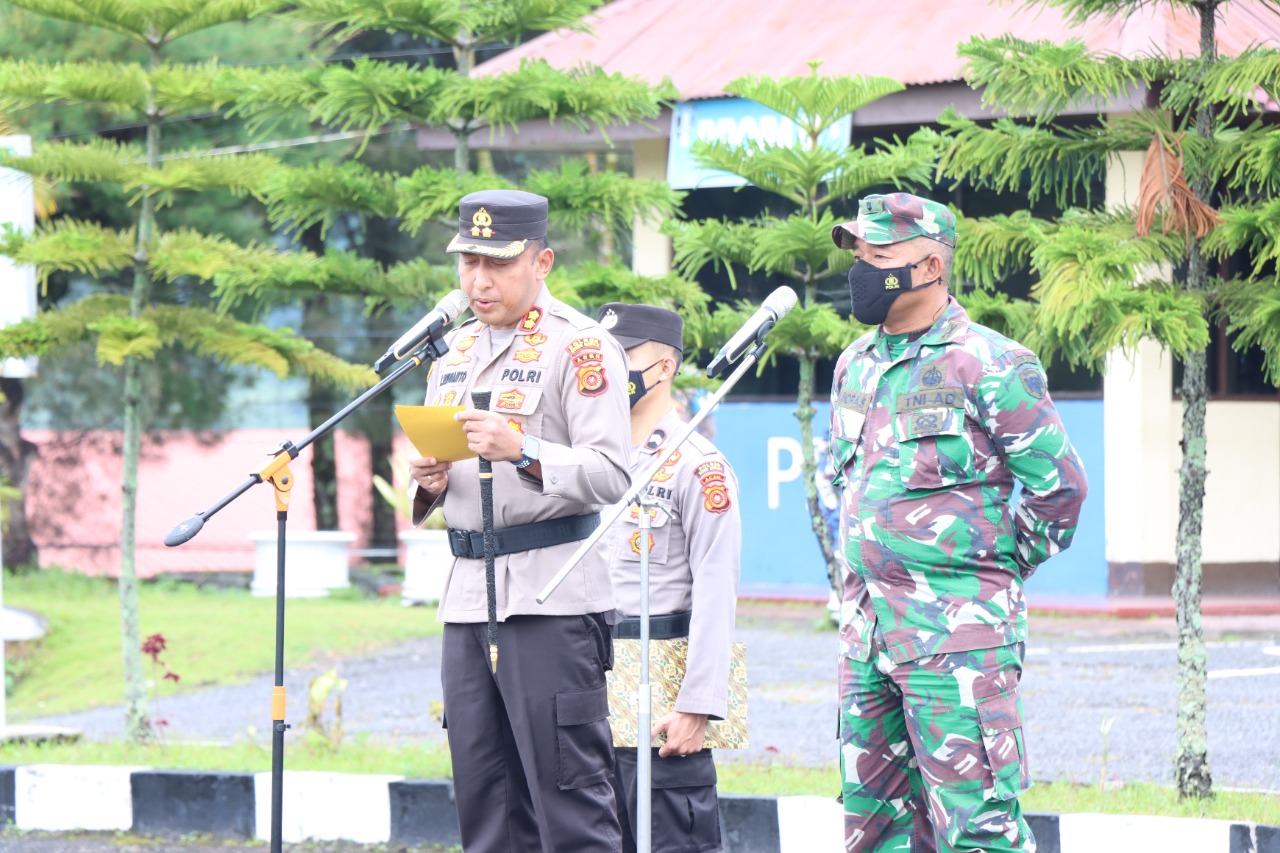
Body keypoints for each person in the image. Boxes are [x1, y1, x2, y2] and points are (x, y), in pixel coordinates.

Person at [827, 192, 1088, 853]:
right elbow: (842, 476)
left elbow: (1061, 489)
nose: (861, 268)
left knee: (980, 832)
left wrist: (987, 568)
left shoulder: (992, 363)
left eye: (878, 255)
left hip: (958, 641)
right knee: (873, 828)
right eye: (858, 254)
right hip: (867, 637)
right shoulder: (855, 361)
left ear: (930, 265)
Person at [409, 189, 631, 852]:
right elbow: (445, 485)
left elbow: (612, 473)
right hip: (469, 598)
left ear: (542, 261)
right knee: (486, 804)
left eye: (498, 263)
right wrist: (428, 483)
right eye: (468, 262)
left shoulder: (581, 347)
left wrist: (523, 449)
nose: (479, 280)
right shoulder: (450, 356)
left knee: (570, 805)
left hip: (551, 598)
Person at [594, 303, 742, 853]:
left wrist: (699, 704)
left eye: (622, 358)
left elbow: (716, 591)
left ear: (662, 368)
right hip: (586, 683)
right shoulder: (586, 458)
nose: (608, 373)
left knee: (671, 835)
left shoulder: (696, 466)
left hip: (659, 685)